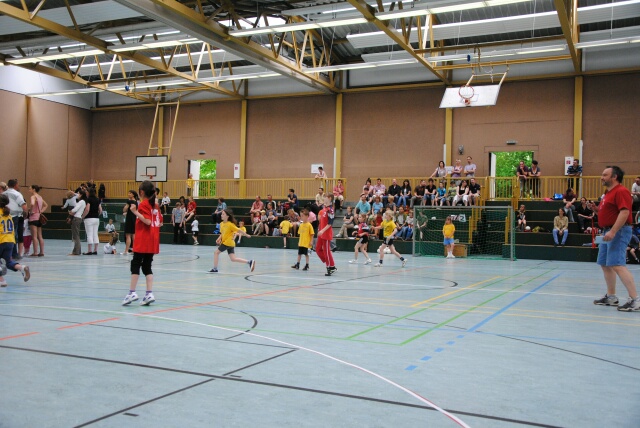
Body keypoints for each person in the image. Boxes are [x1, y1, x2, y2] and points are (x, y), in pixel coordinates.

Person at [591, 166, 639, 311]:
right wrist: (596, 210)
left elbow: (624, 212)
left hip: (618, 231)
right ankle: (611, 297)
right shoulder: (608, 193)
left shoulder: (621, 191)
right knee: (605, 264)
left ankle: (635, 300)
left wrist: (613, 231)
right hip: (607, 231)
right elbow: (610, 212)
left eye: (605, 175)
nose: (601, 177)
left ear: (614, 177)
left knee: (618, 264)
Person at [122, 181, 162, 306]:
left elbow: (148, 221)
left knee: (135, 264)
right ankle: (149, 293)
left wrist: (135, 212)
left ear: (141, 192)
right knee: (147, 266)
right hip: (153, 240)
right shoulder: (156, 206)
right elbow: (160, 222)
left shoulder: (144, 204)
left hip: (144, 239)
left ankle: (132, 292)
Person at [207, 209, 254, 273]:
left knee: (216, 253)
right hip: (230, 243)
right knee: (233, 259)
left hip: (228, 242)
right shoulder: (221, 224)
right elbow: (222, 233)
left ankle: (215, 268)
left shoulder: (230, 224)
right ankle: (249, 262)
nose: (221, 215)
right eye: (221, 214)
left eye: (223, 214)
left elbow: (239, 230)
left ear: (227, 216)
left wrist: (246, 235)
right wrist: (219, 238)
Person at [0, 194, 30, 287]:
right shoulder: (8, 214)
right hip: (10, 241)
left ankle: (2, 280)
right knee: (8, 262)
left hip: (1, 240)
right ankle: (22, 267)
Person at [5, 179, 27, 260]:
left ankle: (5, 253)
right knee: (13, 235)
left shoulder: (3, 194)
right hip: (14, 216)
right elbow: (23, 205)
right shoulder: (17, 194)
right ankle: (14, 253)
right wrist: (25, 212)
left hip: (4, 216)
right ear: (15, 185)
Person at [316, 194, 337, 276]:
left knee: (326, 250)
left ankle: (329, 267)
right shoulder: (324, 209)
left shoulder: (330, 210)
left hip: (326, 233)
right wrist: (320, 229)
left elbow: (330, 224)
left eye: (325, 197)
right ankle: (331, 264)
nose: (324, 199)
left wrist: (322, 231)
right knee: (318, 249)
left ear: (329, 198)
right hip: (321, 232)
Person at [28, 185, 47, 258]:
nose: (29, 190)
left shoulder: (33, 197)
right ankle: (42, 252)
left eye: (30, 189)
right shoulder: (40, 197)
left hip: (33, 217)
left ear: (34, 189)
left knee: (34, 236)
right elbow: (46, 205)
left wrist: (31, 211)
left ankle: (35, 252)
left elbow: (32, 203)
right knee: (40, 236)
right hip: (39, 217)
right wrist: (40, 211)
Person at [83, 187, 102, 255]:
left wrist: (83, 216)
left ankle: (89, 250)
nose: (86, 193)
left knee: (89, 234)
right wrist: (97, 215)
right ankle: (95, 250)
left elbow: (87, 209)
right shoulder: (97, 199)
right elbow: (100, 210)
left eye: (86, 191)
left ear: (88, 192)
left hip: (89, 218)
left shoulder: (88, 199)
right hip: (96, 219)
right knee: (95, 234)